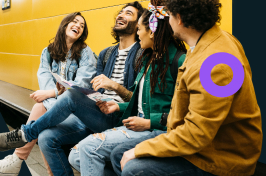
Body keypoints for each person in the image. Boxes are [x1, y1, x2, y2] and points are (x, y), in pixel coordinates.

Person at [0, 2, 145, 175]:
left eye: (128, 13)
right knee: (46, 137)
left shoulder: (142, 54)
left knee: (69, 97)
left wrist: (114, 87)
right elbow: (90, 90)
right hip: (94, 111)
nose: (121, 15)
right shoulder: (105, 54)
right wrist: (82, 96)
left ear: (139, 24)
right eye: (120, 12)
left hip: (117, 116)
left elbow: (139, 99)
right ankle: (21, 151)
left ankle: (24, 136)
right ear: (64, 24)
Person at [110, 0, 263, 176]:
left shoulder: (216, 64)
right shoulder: (211, 41)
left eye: (169, 15)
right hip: (196, 143)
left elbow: (197, 135)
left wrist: (139, 150)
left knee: (134, 169)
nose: (166, 21)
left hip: (219, 158)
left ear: (179, 19)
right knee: (119, 155)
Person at [68, 1, 187, 175]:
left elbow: (185, 114)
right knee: (75, 156)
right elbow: (139, 102)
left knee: (87, 149)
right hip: (134, 123)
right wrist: (118, 106)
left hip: (154, 129)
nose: (138, 34)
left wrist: (149, 122)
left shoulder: (180, 61)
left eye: (139, 29)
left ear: (152, 32)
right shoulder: (147, 58)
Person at [0, 12, 97, 176]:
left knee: (41, 109)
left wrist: (52, 93)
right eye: (75, 21)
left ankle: (16, 160)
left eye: (82, 25)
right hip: (54, 108)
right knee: (44, 126)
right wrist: (53, 98)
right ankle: (29, 166)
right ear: (65, 24)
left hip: (78, 112)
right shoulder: (48, 52)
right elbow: (44, 79)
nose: (78, 26)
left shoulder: (85, 53)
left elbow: (82, 86)